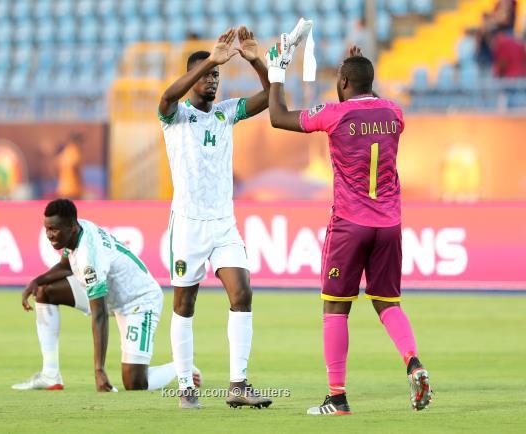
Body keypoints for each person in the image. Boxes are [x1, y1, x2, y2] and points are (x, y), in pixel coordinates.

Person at [266, 39, 433, 415]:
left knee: (336, 308)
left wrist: (277, 72)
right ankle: (413, 363)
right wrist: (360, 72)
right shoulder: (394, 113)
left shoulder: (333, 115)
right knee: (388, 303)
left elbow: (278, 117)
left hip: (350, 223)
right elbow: (373, 102)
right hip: (389, 224)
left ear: (342, 82)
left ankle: (337, 397)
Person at [158, 26, 272, 409]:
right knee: (184, 305)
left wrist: (256, 60)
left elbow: (271, 96)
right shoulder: (175, 116)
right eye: (207, 74)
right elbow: (166, 97)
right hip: (188, 224)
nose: (212, 80)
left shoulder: (226, 113)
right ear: (193, 77)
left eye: (216, 75)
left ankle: (238, 385)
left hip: (223, 223)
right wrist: (209, 59)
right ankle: (186, 386)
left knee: (242, 293)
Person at [12, 199, 200, 392]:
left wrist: (99, 370)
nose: (49, 235)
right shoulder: (75, 230)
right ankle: (50, 375)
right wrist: (36, 281)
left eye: (54, 229)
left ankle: (182, 366)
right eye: (47, 229)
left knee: (135, 383)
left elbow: (99, 314)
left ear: (71, 227)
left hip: (138, 301)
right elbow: (65, 266)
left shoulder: (90, 257)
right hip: (108, 291)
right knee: (44, 291)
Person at [56, 135, 83, 199]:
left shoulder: (64, 152)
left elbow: (57, 167)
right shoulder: (74, 151)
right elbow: (74, 165)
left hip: (63, 188)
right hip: (72, 189)